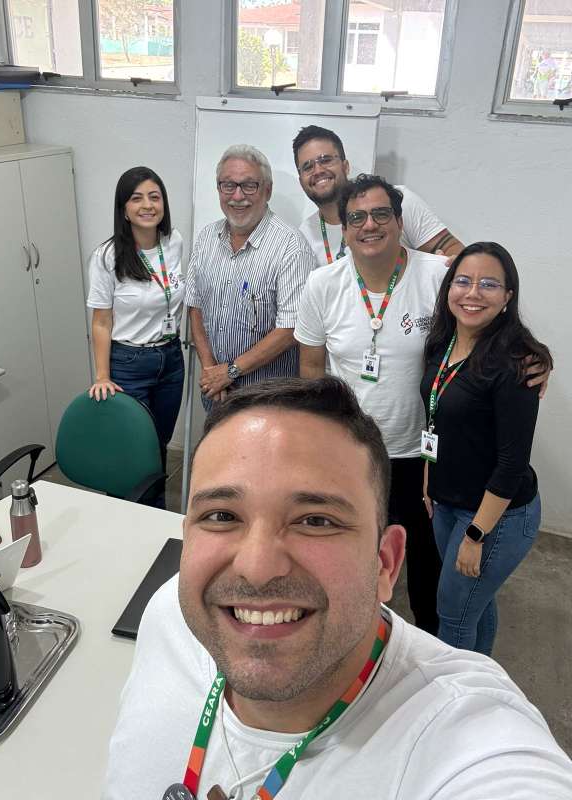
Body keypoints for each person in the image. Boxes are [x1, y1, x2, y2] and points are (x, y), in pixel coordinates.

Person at [103, 378, 572, 800]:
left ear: (385, 563)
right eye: (222, 515)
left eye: (315, 520)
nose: (257, 569)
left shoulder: (464, 741)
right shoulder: (169, 617)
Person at [295, 174, 448, 634]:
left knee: (426, 562)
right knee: (356, 552)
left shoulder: (437, 276)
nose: (370, 225)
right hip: (355, 452)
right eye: (357, 217)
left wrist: (529, 359)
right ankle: (356, 634)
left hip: (421, 455)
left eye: (381, 214)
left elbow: (488, 325)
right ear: (344, 229)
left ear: (399, 221)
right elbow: (311, 369)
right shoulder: (323, 285)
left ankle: (425, 639)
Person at [420, 242, 553, 655]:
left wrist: (476, 534)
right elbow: (436, 418)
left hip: (495, 517)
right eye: (463, 281)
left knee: (453, 616)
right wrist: (429, 478)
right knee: (474, 605)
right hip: (445, 501)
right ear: (449, 288)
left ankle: (457, 692)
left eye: (489, 284)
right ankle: (483, 674)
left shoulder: (518, 363)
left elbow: (512, 464)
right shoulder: (441, 343)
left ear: (507, 296)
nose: (473, 293)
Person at [186, 144, 316, 407]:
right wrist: (210, 369)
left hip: (268, 399)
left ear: (267, 190)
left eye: (249, 185)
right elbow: (195, 307)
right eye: (228, 185)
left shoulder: (291, 247)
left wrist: (230, 371)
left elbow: (290, 329)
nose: (237, 196)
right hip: (217, 393)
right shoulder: (206, 238)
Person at [87, 166, 185, 458]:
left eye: (154, 197)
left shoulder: (174, 242)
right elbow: (101, 322)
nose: (147, 205)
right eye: (136, 198)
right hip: (129, 363)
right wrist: (102, 376)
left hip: (171, 358)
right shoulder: (107, 257)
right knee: (133, 446)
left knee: (159, 442)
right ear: (124, 209)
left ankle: (156, 490)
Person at [293, 124, 464, 266]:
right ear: (301, 181)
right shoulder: (304, 236)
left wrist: (452, 265)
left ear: (345, 167)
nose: (318, 170)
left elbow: (453, 250)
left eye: (325, 160)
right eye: (307, 167)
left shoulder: (395, 202)